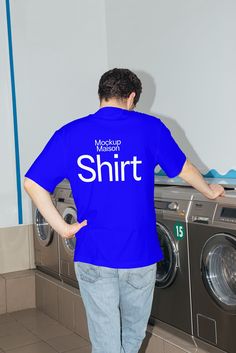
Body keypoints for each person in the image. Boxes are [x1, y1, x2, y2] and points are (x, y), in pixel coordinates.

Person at [24, 68, 225, 353]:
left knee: (105, 342)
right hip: (139, 254)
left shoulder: (70, 134)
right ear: (131, 97)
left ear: (100, 95)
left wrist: (62, 228)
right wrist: (209, 191)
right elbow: (183, 168)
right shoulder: (150, 128)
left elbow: (32, 183)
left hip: (93, 252)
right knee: (132, 336)